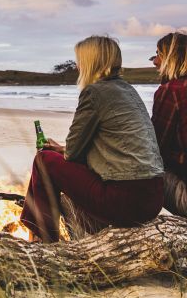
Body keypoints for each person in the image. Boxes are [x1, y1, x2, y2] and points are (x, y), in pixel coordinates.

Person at [21, 36, 164, 243]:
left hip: (125, 200)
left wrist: (62, 151)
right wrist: (62, 148)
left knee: (44, 159)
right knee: (53, 157)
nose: (77, 65)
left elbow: (74, 153)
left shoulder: (94, 92)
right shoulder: (127, 90)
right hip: (152, 198)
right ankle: (40, 230)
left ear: (91, 62)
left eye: (80, 60)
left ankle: (43, 239)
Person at [150, 32, 187, 217]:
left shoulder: (172, 91)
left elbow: (154, 148)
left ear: (171, 58)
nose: (154, 61)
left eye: (158, 54)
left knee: (141, 166)